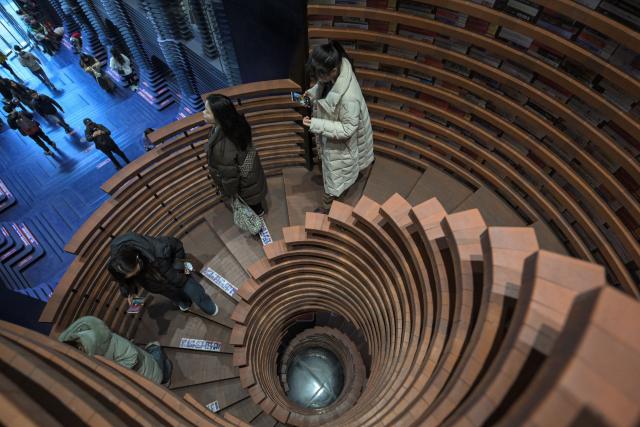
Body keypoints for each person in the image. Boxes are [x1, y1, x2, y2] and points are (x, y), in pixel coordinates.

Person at [303, 40, 375, 213]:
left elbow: (348, 129)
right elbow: (324, 85)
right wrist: (312, 94)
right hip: (337, 143)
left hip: (342, 147)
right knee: (336, 177)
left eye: (319, 74)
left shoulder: (349, 97)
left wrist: (316, 124)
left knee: (334, 184)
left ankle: (327, 210)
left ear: (332, 71)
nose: (317, 79)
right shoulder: (336, 68)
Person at [107, 232, 218, 316]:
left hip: (177, 271)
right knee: (172, 294)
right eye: (132, 275)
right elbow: (123, 281)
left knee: (195, 290)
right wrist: (129, 292)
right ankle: (184, 302)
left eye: (136, 271)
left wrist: (179, 268)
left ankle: (208, 306)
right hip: (156, 283)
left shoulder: (158, 247)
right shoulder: (118, 263)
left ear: (138, 259)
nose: (135, 275)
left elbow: (178, 245)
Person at [204, 94, 267, 218]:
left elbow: (230, 177)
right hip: (251, 172)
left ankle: (257, 219)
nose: (203, 113)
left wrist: (231, 194)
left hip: (244, 184)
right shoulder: (237, 123)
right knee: (255, 201)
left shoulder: (222, 147)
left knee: (251, 205)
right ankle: (259, 211)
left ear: (219, 117)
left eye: (207, 111)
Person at [58, 316, 172, 385]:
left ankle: (157, 354)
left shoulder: (100, 344)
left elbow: (132, 355)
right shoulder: (83, 338)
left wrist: (115, 371)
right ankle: (155, 352)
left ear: (79, 348)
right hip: (139, 365)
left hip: (145, 369)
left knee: (162, 368)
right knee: (155, 359)